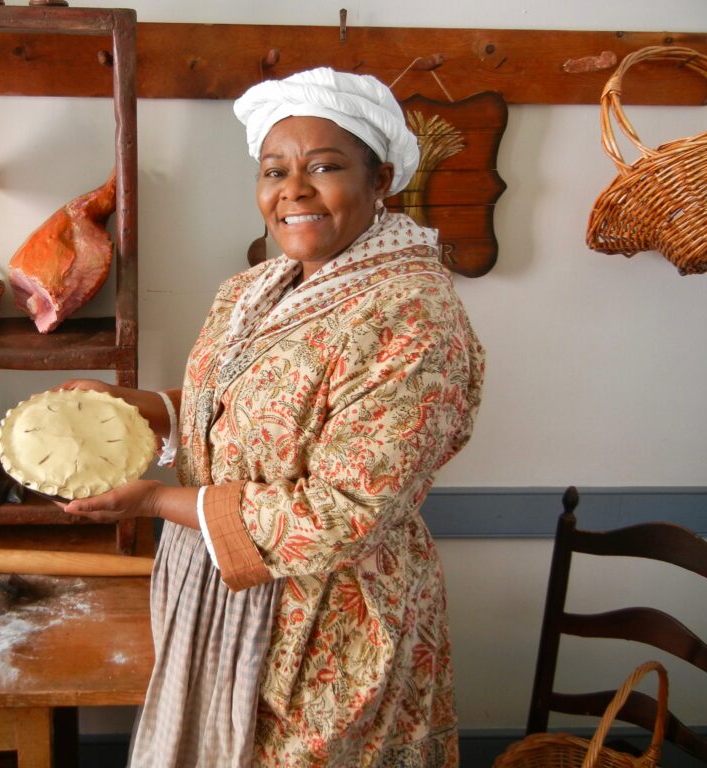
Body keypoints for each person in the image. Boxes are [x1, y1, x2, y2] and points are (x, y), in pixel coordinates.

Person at [56, 67, 485, 767]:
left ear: (381, 183)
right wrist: (146, 409)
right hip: (224, 593)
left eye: (325, 166)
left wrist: (162, 501)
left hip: (327, 624)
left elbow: (346, 512)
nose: (293, 190)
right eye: (274, 170)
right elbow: (237, 410)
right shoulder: (254, 287)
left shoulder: (412, 316)